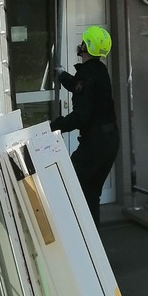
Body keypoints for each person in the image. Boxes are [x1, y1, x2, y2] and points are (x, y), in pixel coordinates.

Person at [50, 25, 119, 227]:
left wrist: (53, 126)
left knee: (70, 185)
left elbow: (81, 116)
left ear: (86, 47)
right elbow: (81, 88)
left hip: (95, 144)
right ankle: (93, 246)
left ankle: (72, 241)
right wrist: (63, 75)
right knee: (90, 193)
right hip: (110, 141)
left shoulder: (87, 74)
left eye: (83, 42)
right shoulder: (99, 71)